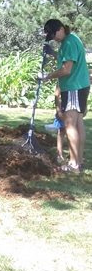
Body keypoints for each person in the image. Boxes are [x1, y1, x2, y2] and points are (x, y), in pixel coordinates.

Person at [39, 19, 90, 172]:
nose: (54, 37)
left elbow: (66, 70)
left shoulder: (68, 42)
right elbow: (67, 59)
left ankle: (73, 164)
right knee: (78, 123)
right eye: (51, 36)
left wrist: (46, 76)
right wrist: (53, 53)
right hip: (81, 86)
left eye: (54, 34)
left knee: (69, 125)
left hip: (73, 86)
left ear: (61, 28)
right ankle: (78, 162)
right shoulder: (72, 39)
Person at [53, 82, 67, 163]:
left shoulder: (77, 78)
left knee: (72, 132)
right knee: (61, 132)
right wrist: (58, 110)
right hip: (63, 108)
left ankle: (73, 154)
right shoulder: (60, 82)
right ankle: (60, 154)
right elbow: (57, 97)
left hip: (74, 109)